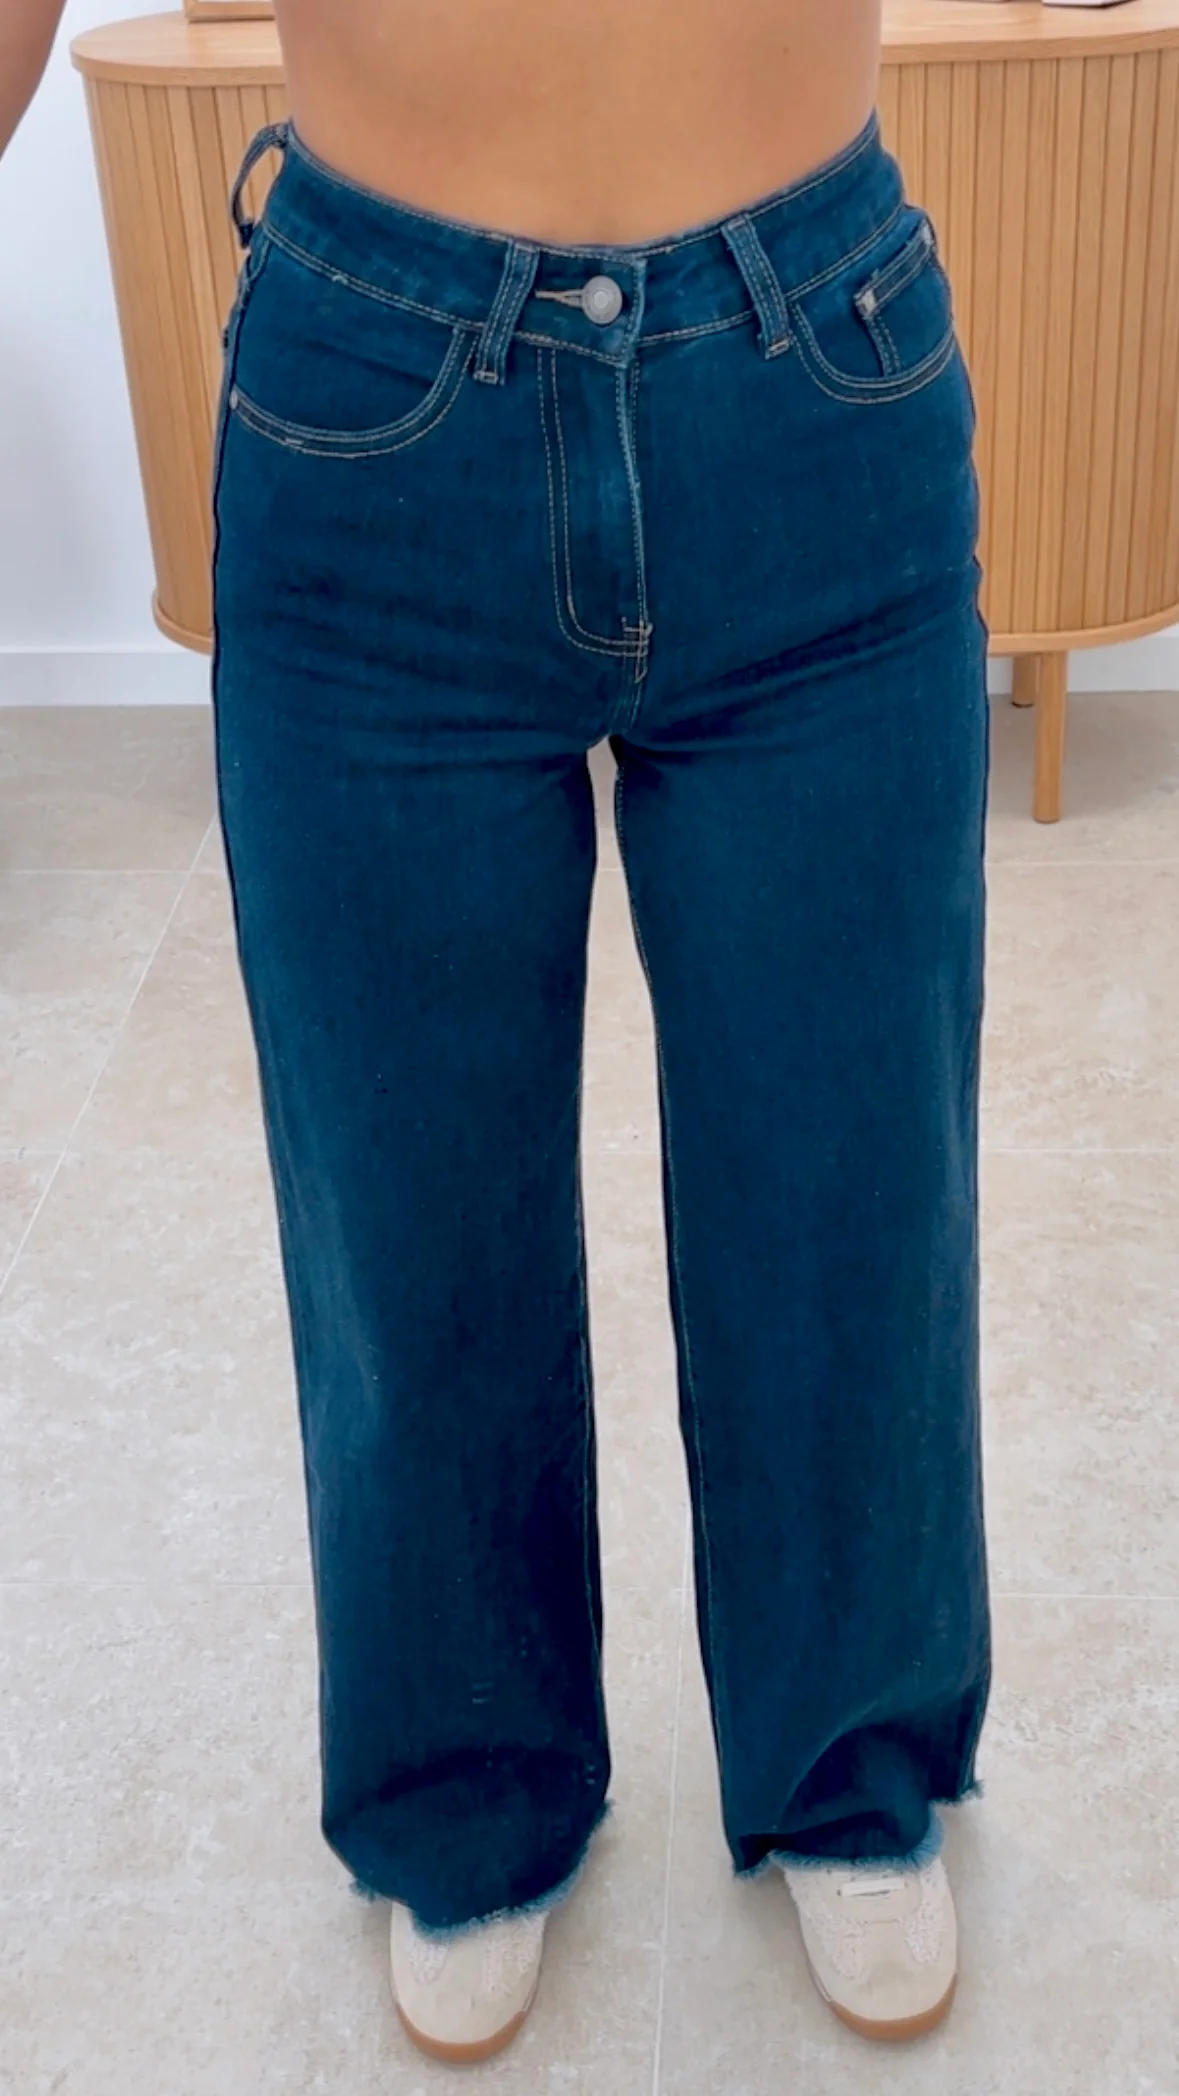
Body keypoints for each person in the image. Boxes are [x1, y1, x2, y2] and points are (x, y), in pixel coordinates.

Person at [5, 0, 992, 2065]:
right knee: (407, 1198)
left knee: (847, 1173)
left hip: (811, 376)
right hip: (375, 410)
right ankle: (467, 1782)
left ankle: (853, 1762)